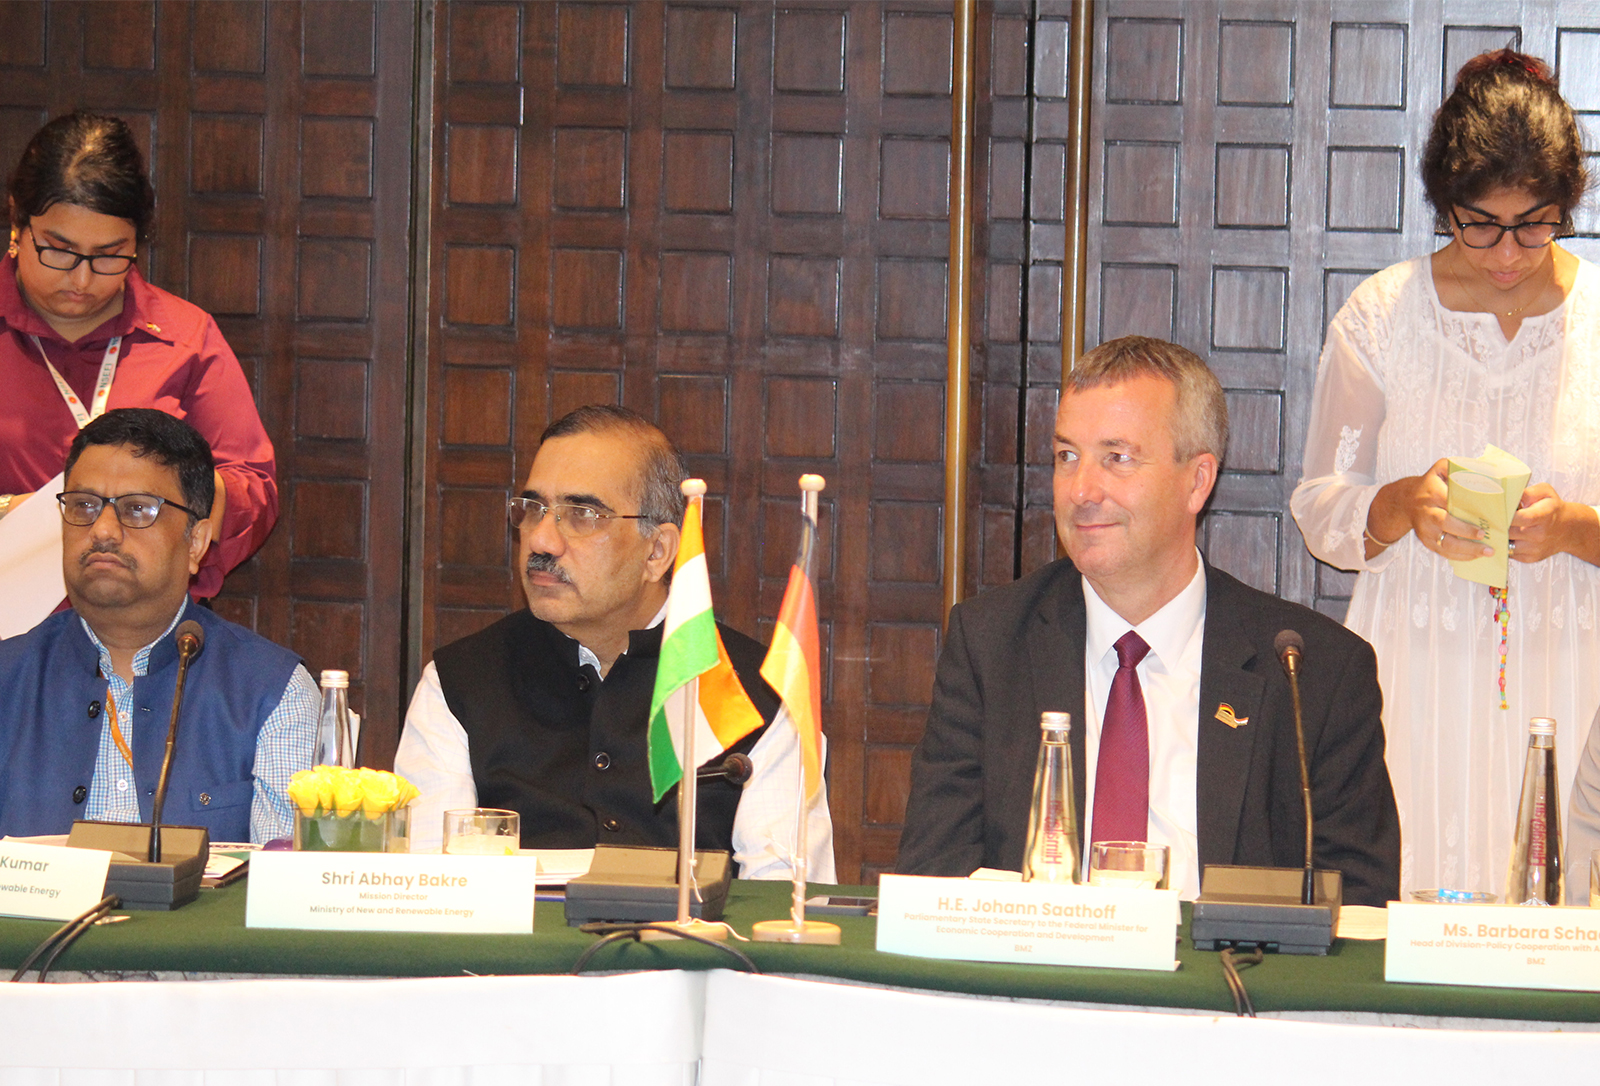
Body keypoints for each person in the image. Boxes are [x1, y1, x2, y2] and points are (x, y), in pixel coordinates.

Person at [897, 336, 1400, 907]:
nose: (1082, 490)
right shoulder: (990, 645)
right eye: (1067, 456)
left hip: (1226, 990)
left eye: (1118, 458)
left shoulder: (1313, 673)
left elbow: (1358, 911)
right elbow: (932, 882)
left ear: (1197, 481)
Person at [1289, 51, 1600, 897]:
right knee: (1411, 894)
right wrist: (1398, 507)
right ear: (1443, 207)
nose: (1507, 252)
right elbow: (1322, 505)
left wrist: (1573, 528)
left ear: (1567, 205)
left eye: (1534, 224)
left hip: (1571, 659)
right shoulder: (1384, 315)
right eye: (1479, 224)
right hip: (1415, 662)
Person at [395, 405, 836, 879]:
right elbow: (427, 892)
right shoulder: (460, 683)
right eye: (533, 509)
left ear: (658, 552)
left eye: (582, 514)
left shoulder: (760, 692)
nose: (541, 540)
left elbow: (783, 902)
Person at [0, 409, 317, 844]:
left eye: (137, 509)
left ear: (197, 542)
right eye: (84, 506)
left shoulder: (274, 693)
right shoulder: (7, 678)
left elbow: (285, 891)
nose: (103, 530)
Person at [0, 110, 277, 600]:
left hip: (145, 633)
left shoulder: (185, 337)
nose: (81, 280)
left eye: (109, 255)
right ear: (18, 222)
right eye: (59, 251)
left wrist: (187, 498)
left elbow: (254, 488)